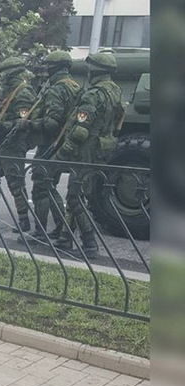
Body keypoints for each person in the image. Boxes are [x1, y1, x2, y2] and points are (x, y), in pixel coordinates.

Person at [52, 51, 125, 259]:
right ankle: (65, 237)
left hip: (86, 151)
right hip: (102, 149)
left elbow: (81, 131)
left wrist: (61, 153)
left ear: (95, 71)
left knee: (75, 196)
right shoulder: (115, 91)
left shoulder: (93, 95)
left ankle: (89, 241)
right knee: (78, 193)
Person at [19, 50, 82, 242]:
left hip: (50, 144)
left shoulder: (56, 89)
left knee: (40, 187)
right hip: (63, 144)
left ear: (53, 68)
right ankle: (61, 226)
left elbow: (52, 122)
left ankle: (40, 232)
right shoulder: (74, 86)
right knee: (49, 185)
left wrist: (29, 124)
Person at [0, 56, 36, 233]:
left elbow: (22, 124)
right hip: (5, 145)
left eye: (6, 76)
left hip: (15, 145)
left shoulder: (24, 94)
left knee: (15, 184)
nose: (3, 79)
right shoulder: (10, 92)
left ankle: (24, 221)